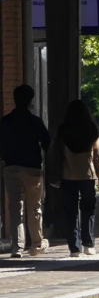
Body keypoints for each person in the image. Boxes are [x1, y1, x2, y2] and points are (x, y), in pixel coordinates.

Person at [46, 100, 99, 257]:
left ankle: (74, 248)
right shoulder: (92, 131)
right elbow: (98, 159)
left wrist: (55, 176)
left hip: (68, 176)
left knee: (70, 212)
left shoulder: (63, 131)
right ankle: (88, 244)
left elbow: (56, 156)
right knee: (88, 210)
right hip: (88, 176)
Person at [0, 85, 51, 258]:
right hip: (32, 169)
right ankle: (36, 243)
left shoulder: (5, 122)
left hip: (11, 167)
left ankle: (17, 247)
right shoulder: (35, 122)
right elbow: (47, 143)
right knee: (34, 207)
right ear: (31, 100)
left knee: (15, 208)